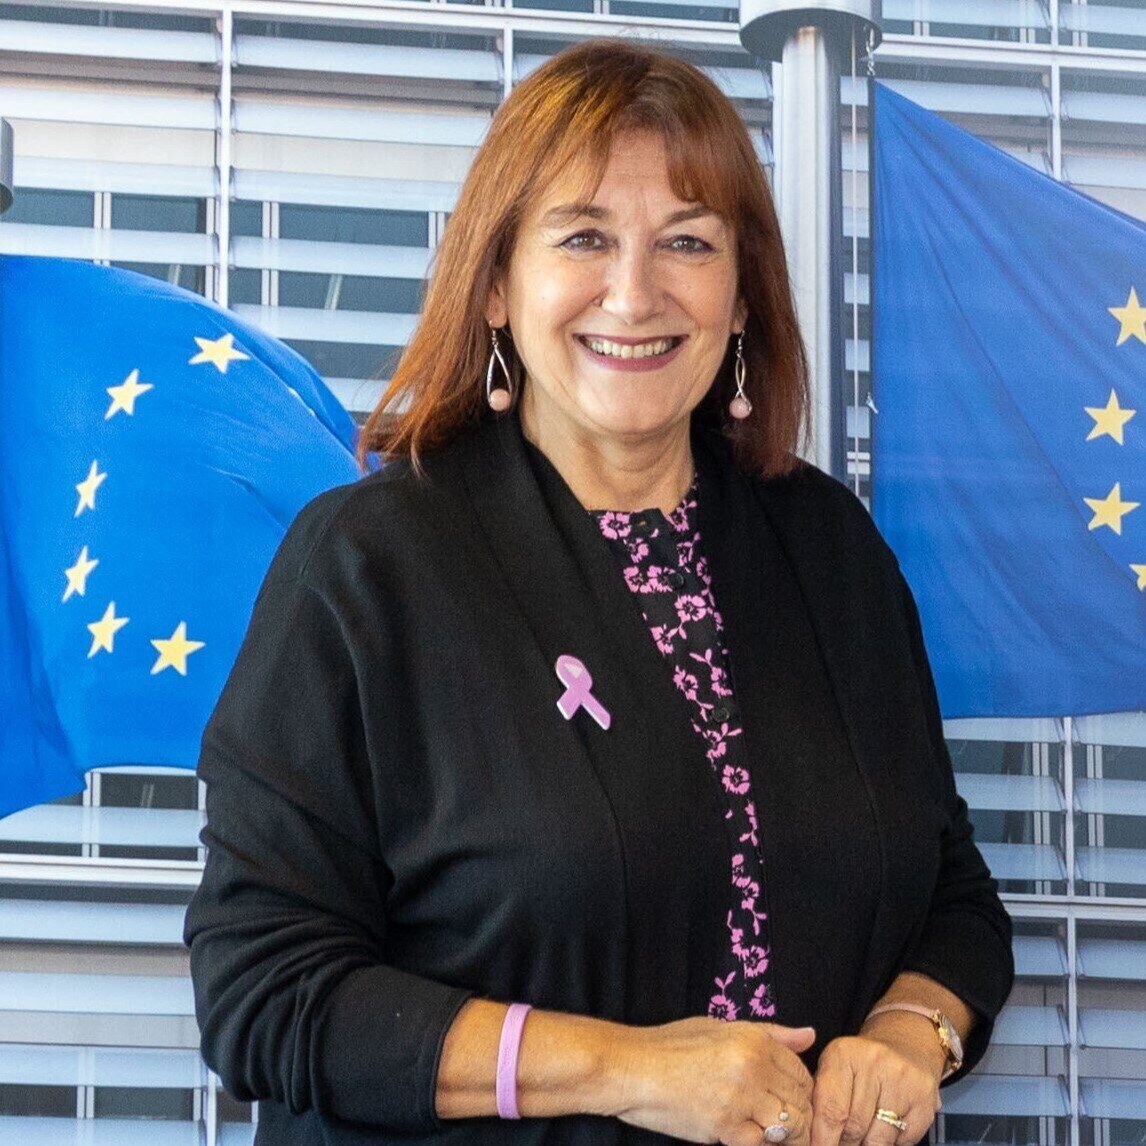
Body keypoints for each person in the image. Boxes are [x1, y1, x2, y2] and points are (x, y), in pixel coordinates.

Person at [185, 39, 1014, 1146]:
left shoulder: (832, 550)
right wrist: (625, 1070)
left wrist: (911, 1034)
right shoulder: (366, 567)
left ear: (741, 296)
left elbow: (951, 891)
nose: (635, 292)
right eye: (583, 237)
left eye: (688, 242)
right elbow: (264, 992)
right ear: (495, 284)